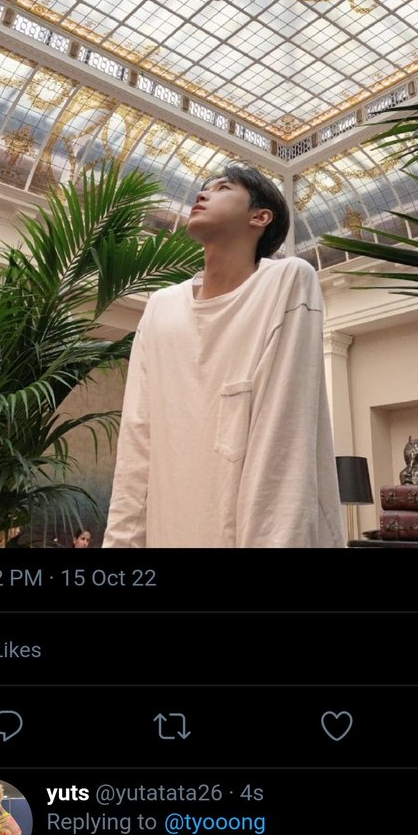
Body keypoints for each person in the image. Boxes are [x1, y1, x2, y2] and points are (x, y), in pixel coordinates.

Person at [102, 164, 345, 548]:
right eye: (204, 188)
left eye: (222, 188)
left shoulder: (287, 282)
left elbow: (283, 448)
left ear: (260, 217)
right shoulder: (161, 307)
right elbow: (137, 443)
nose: (202, 194)